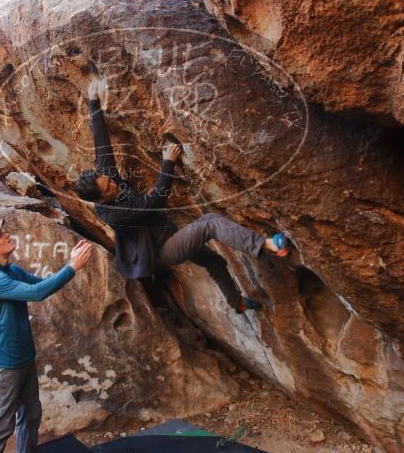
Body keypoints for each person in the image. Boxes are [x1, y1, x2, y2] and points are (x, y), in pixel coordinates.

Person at [74, 78, 291, 314]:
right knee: (211, 222)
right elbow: (154, 202)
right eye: (108, 189)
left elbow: (102, 146)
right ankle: (269, 244)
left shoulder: (106, 179)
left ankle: (236, 303)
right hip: (166, 248)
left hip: (170, 233)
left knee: (214, 261)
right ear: (100, 199)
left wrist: (93, 101)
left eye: (110, 181)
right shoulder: (113, 215)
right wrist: (168, 164)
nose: (114, 184)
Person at [0, 218, 93, 453]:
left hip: (24, 359)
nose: (6, 235)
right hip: (4, 365)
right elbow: (37, 294)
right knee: (1, 425)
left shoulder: (11, 270)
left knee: (31, 417)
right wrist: (72, 266)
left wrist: (68, 264)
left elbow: (39, 285)